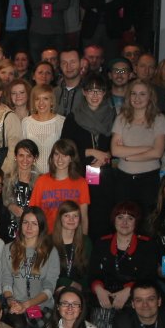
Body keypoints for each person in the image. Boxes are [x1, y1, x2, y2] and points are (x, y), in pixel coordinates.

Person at [90, 201, 159, 328]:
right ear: (114, 220)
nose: (124, 222)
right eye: (120, 217)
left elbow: (149, 277)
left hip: (135, 299)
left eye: (130, 218)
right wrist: (99, 290)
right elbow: (93, 274)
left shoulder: (148, 245)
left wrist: (129, 291)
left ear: (136, 222)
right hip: (105, 299)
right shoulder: (101, 243)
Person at [62, 74, 115, 225]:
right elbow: (65, 147)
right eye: (91, 91)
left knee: (103, 217)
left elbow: (117, 144)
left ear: (104, 93)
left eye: (99, 91)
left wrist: (106, 156)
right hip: (79, 173)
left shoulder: (112, 116)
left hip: (105, 174)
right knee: (81, 216)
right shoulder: (73, 117)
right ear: (84, 92)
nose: (95, 95)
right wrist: (91, 152)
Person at [109, 80, 165, 212]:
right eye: (134, 93)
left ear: (150, 97)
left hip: (149, 180)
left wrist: (128, 157)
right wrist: (147, 148)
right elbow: (115, 150)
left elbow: (157, 153)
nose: (137, 98)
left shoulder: (159, 119)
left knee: (147, 220)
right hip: (123, 178)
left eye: (142, 94)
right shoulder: (121, 118)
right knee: (123, 217)